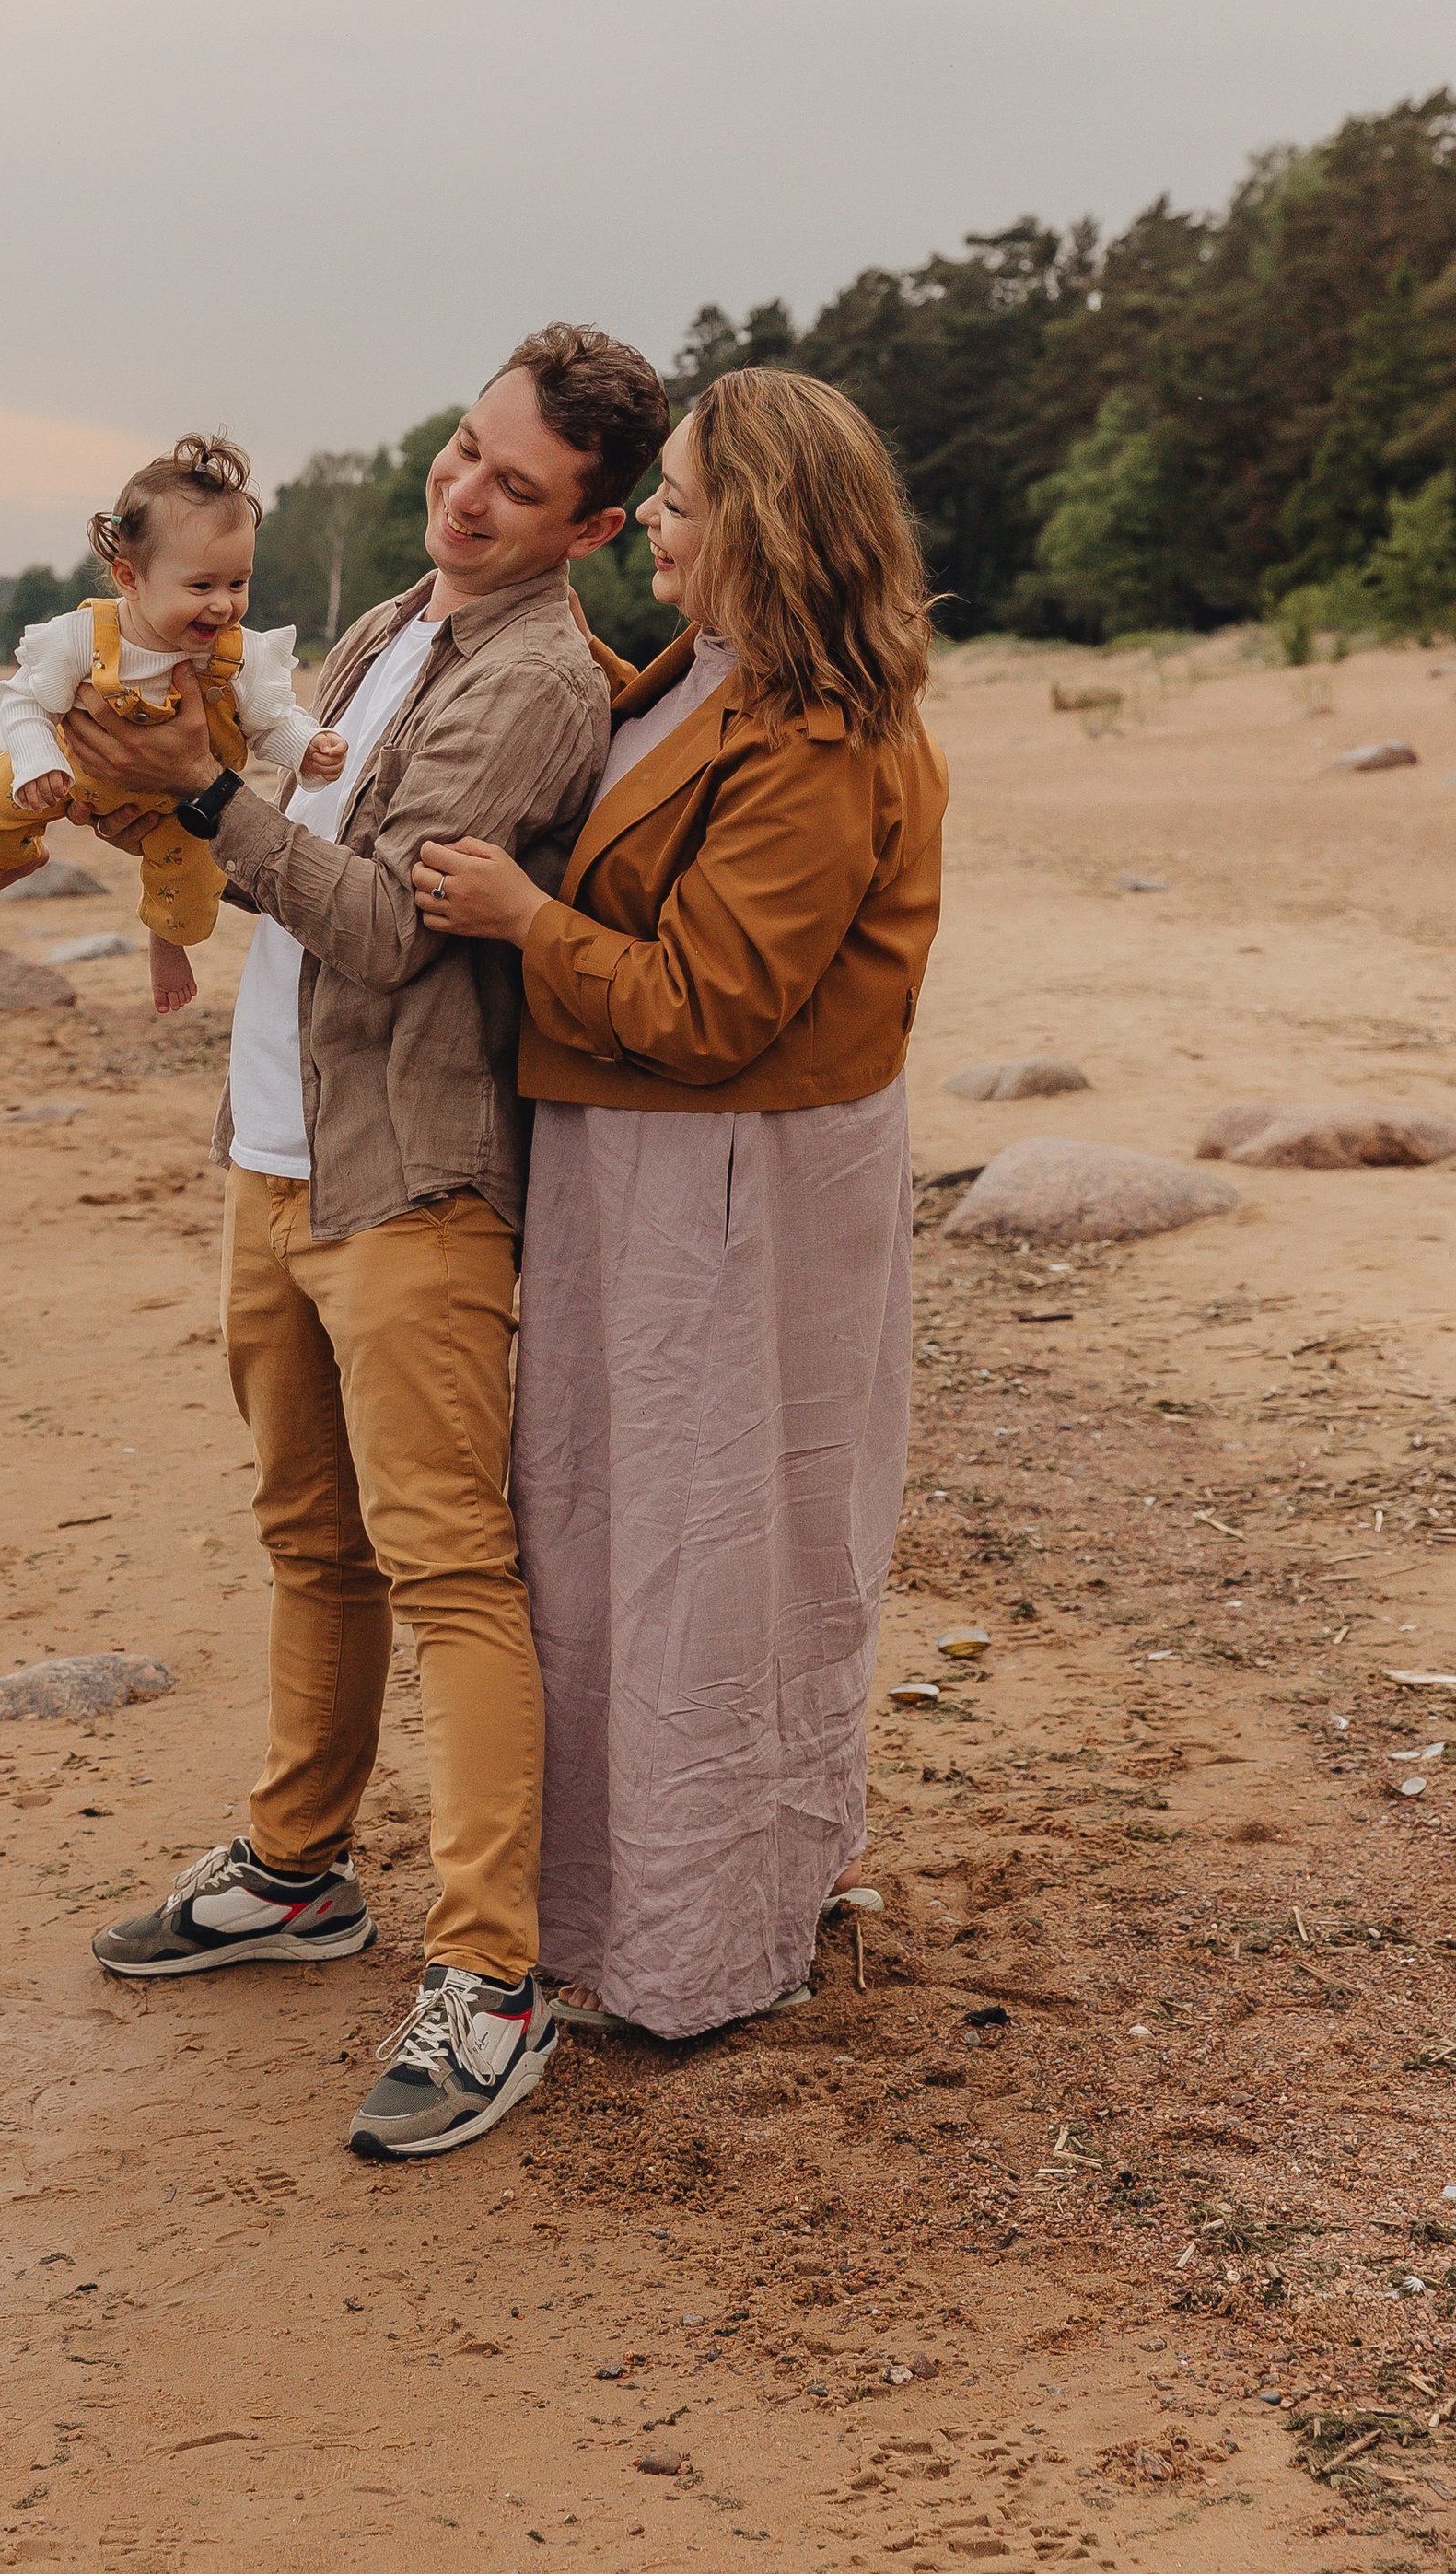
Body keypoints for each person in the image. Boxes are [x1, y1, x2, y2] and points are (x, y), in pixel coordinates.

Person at [67, 326, 670, 2162]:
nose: (466, 493)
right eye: (461, 452)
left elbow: (382, 928)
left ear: (593, 522)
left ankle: (490, 1977)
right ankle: (296, 1870)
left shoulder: (536, 681)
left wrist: (194, 798)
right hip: (277, 1159)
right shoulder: (387, 622)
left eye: (513, 484)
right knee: (306, 1544)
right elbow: (271, 822)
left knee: (447, 1573)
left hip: (408, 1188)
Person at [411, 367, 945, 2043]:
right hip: (643, 1171)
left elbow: (714, 1009)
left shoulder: (823, 738)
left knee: (715, 1556)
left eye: (687, 499)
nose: (653, 511)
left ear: (764, 532)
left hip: (734, 1191)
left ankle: (703, 1940)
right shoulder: (704, 670)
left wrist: (515, 915)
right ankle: (626, 1899)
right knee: (608, 1535)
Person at [0, 434, 348, 1015]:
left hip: (183, 801)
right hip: (76, 776)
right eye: (201, 586)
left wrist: (306, 746)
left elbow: (270, 721)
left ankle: (166, 941)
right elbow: (24, 703)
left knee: (192, 875)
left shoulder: (240, 654)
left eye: (237, 583)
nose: (223, 605)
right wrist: (39, 760)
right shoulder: (80, 638)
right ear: (130, 579)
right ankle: (12, 856)